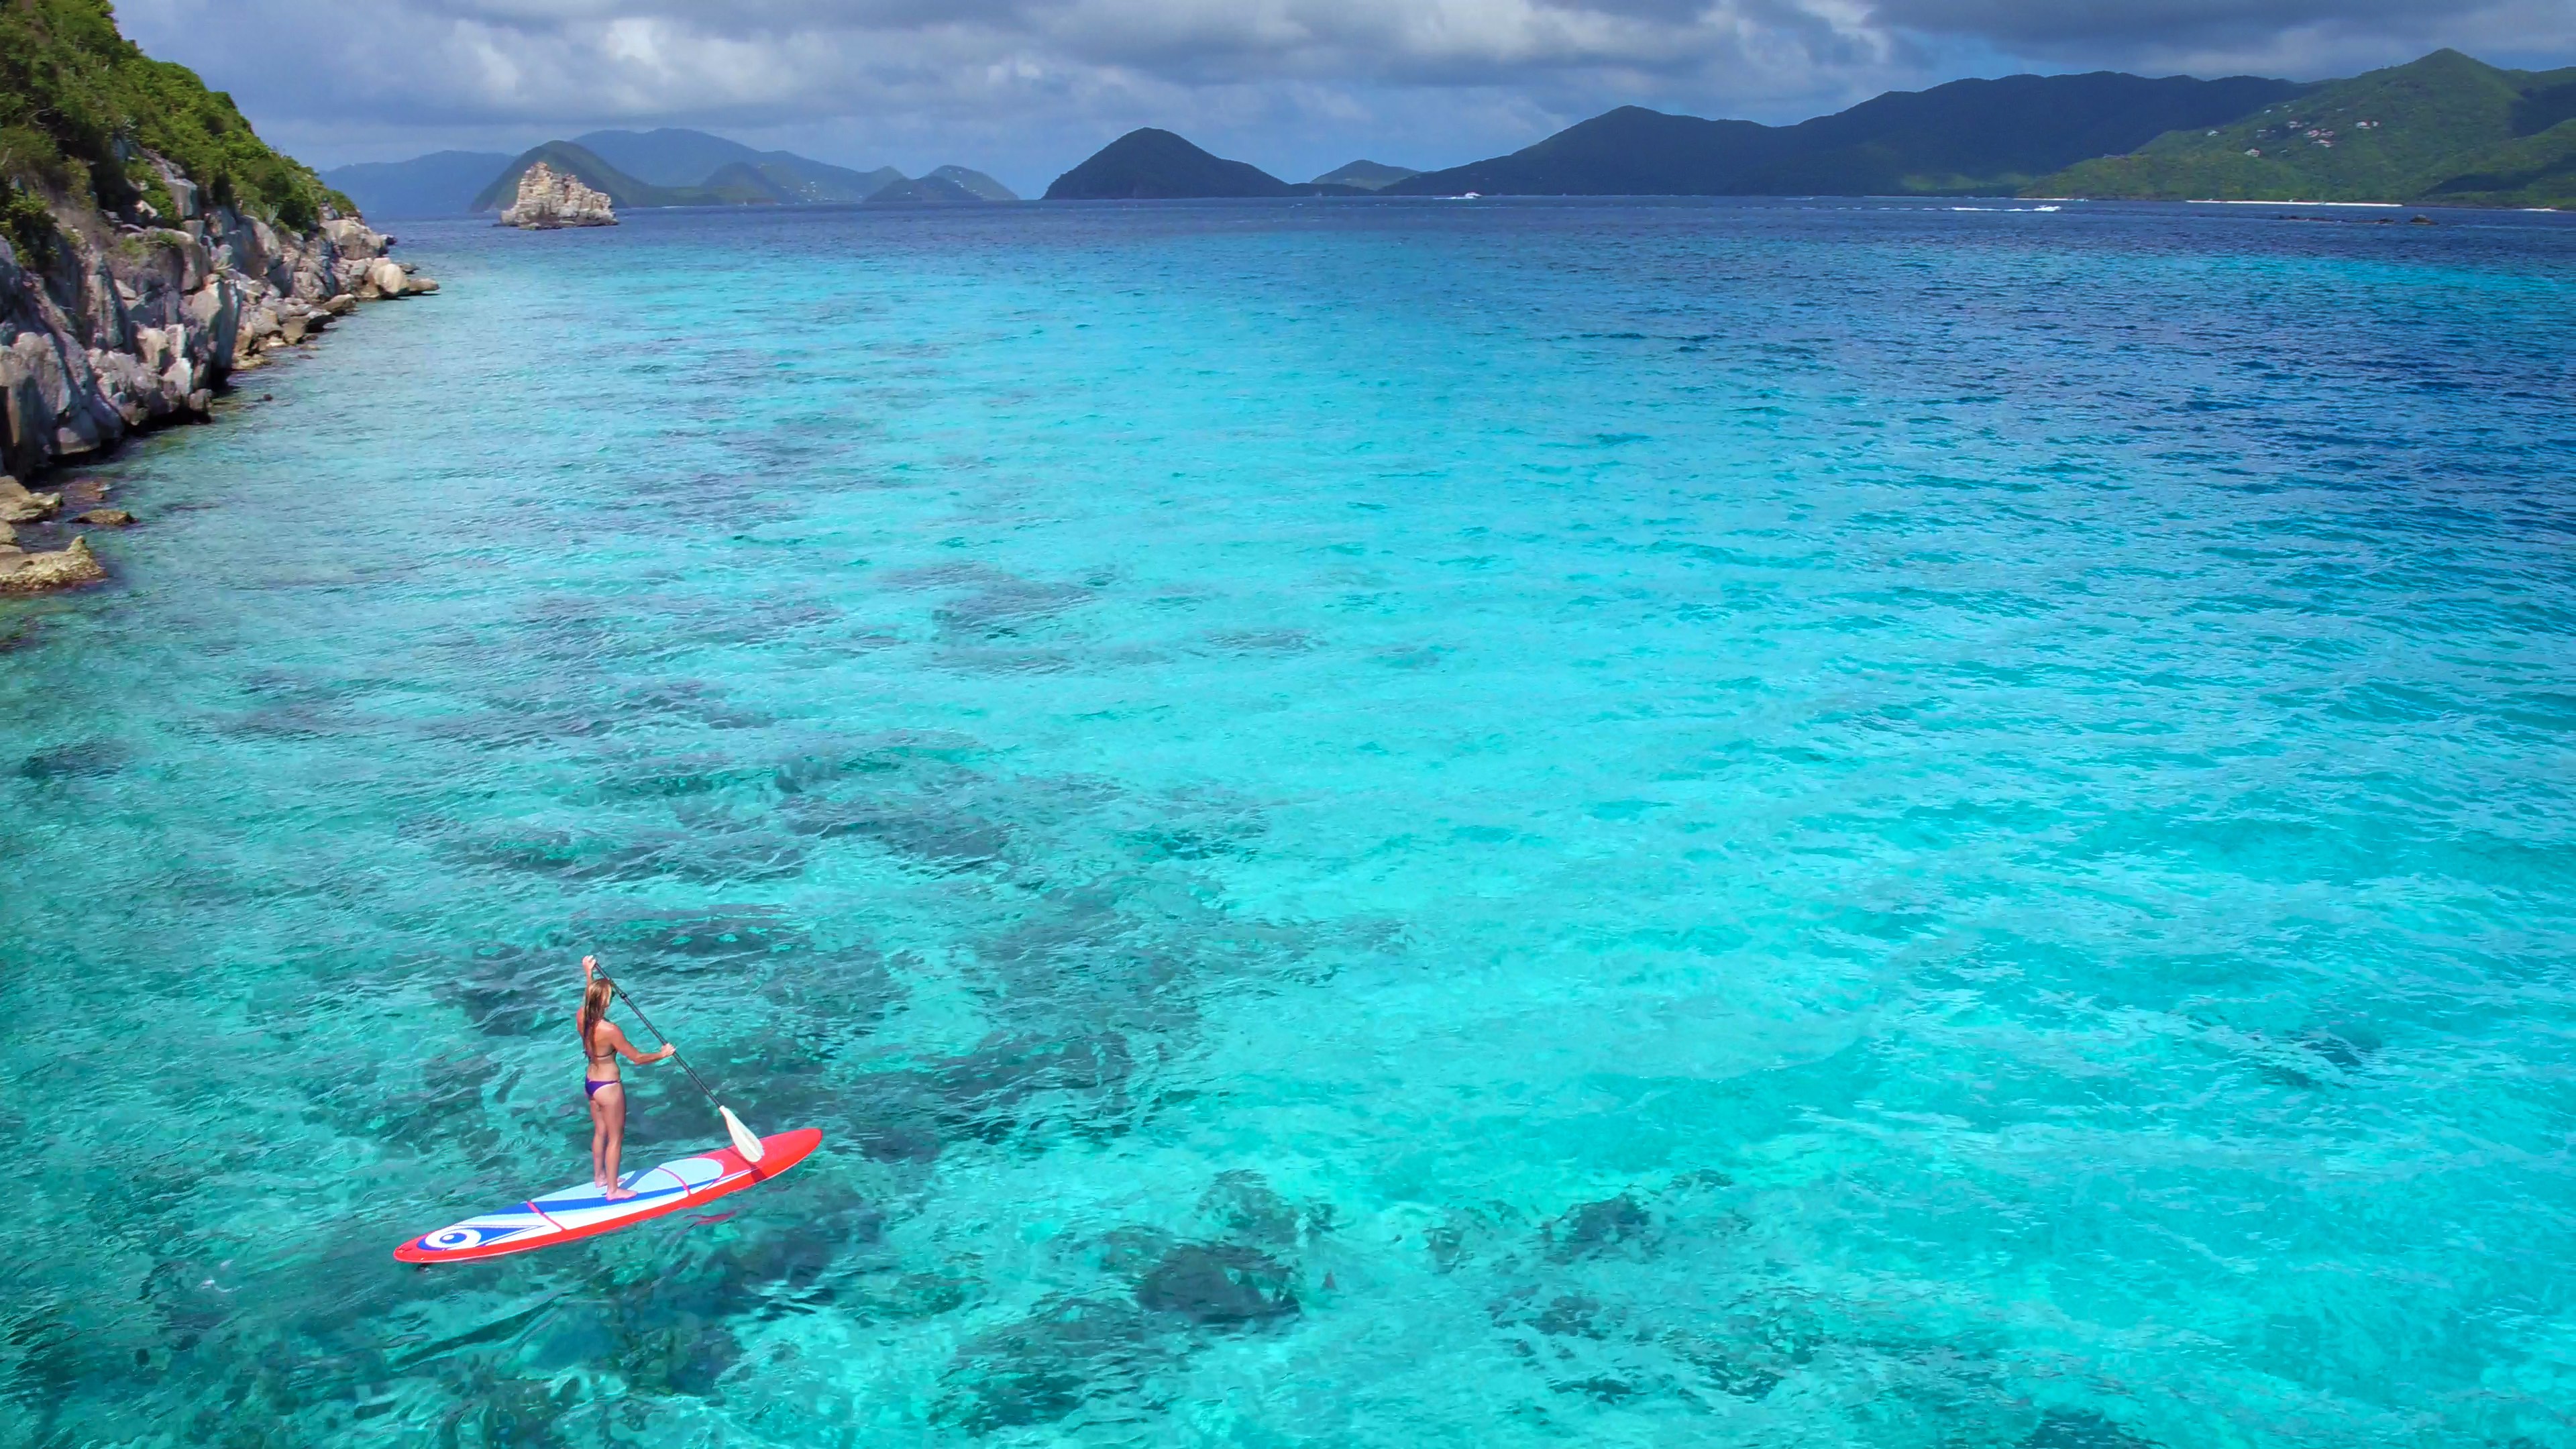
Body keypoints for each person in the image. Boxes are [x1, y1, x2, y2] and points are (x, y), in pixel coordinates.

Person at [578, 955, 674, 1199]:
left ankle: (599, 1178)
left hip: (591, 1083)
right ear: (607, 1004)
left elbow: (589, 997)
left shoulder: (582, 1017)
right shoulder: (610, 1030)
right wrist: (662, 1055)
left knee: (600, 1132)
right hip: (609, 1087)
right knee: (616, 1138)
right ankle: (613, 1190)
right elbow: (637, 1058)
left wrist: (588, 974)